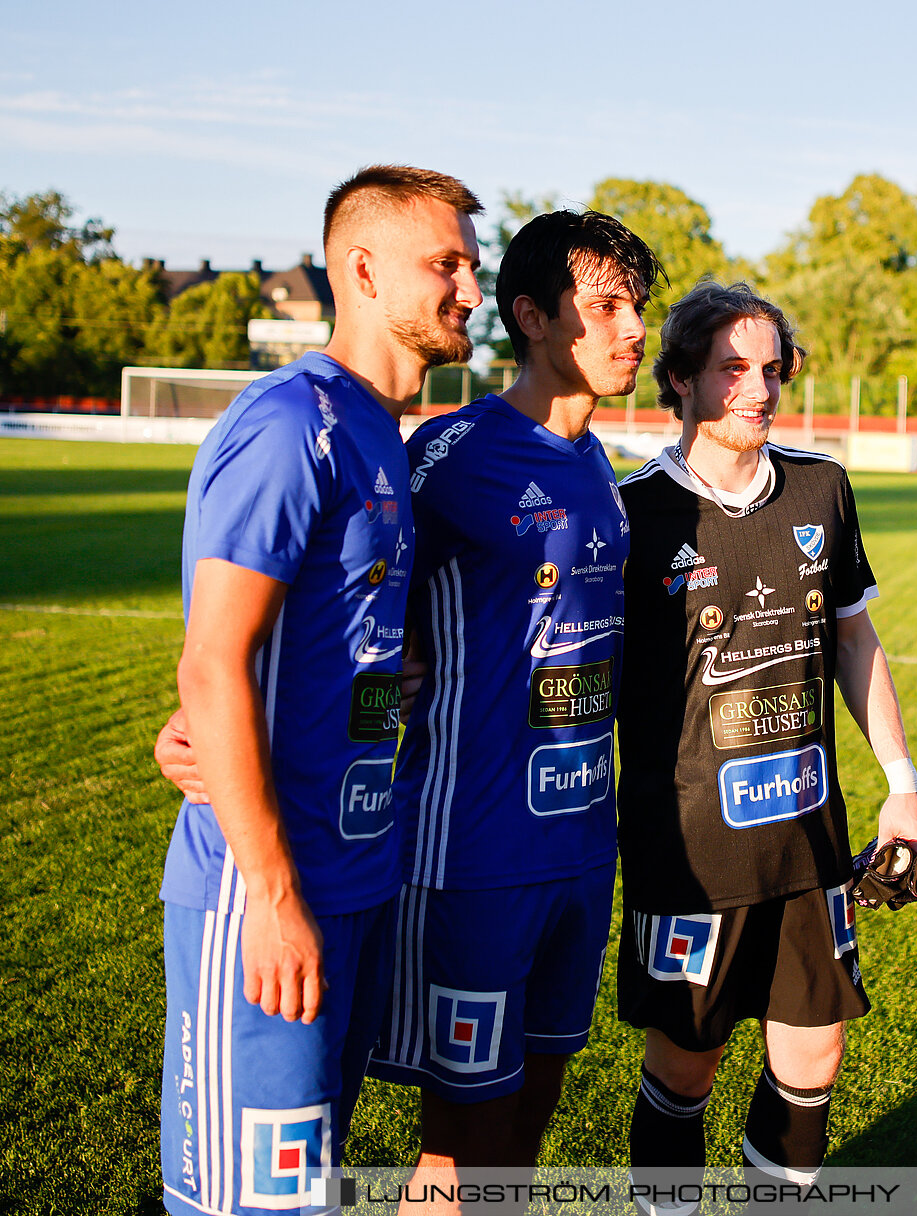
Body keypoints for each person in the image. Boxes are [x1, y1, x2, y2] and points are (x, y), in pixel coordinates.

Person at [157, 165, 482, 1215]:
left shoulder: (385, 432)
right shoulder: (292, 422)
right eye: (448, 264)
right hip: (265, 896)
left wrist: (397, 672)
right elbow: (211, 662)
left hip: (356, 885)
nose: (470, 288)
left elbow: (339, 647)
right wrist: (273, 894)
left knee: (310, 1190)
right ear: (361, 268)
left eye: (471, 265)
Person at [361, 210, 660, 1183]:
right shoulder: (454, 453)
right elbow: (346, 593)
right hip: (474, 848)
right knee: (462, 1142)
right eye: (607, 305)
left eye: (639, 307)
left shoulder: (598, 465)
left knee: (529, 1122)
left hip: (580, 844)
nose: (634, 330)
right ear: (531, 315)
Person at [616, 281, 917, 1203]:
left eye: (770, 368)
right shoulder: (635, 512)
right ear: (678, 380)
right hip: (690, 852)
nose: (757, 389)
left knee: (816, 1054)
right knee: (686, 1069)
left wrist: (901, 784)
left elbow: (854, 640)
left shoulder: (821, 487)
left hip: (810, 837)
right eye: (730, 369)